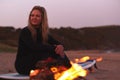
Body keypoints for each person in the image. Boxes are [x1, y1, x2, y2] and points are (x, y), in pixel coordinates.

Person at [15, 5, 71, 75]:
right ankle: (63, 66)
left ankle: (68, 67)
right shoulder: (25, 31)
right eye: (32, 15)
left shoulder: (43, 32)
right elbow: (34, 47)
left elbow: (56, 42)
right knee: (46, 52)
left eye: (37, 16)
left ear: (42, 18)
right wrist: (54, 48)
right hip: (23, 65)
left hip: (36, 61)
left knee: (57, 50)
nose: (34, 18)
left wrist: (60, 46)